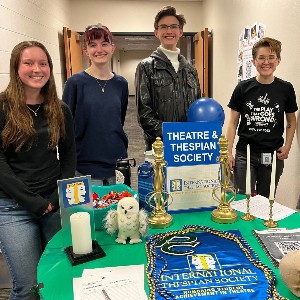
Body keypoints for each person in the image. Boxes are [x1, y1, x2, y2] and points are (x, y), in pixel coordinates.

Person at [0, 41, 76, 300]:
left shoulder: (59, 109)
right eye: (28, 63)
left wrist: (55, 200)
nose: (37, 69)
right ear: (16, 67)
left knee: (57, 277)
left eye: (42, 63)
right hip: (13, 208)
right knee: (29, 288)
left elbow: (68, 157)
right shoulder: (3, 108)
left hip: (52, 205)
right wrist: (33, 203)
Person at [227, 37, 298, 198]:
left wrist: (287, 146)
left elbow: (292, 121)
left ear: (278, 61)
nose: (266, 62)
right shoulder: (243, 88)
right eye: (261, 58)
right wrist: (228, 152)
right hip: (245, 154)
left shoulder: (286, 89)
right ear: (253, 61)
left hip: (273, 155)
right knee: (242, 199)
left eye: (271, 57)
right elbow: (232, 123)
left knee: (266, 200)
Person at [63, 24, 129, 186]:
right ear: (86, 51)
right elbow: (64, 127)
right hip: (85, 166)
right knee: (88, 212)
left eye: (104, 44)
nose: (99, 49)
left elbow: (118, 120)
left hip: (117, 163)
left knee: (120, 210)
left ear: (112, 48)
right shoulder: (75, 83)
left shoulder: (121, 84)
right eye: (93, 45)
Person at [135, 6, 201, 151]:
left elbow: (197, 108)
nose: (169, 31)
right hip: (159, 147)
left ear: (180, 32)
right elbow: (144, 114)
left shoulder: (190, 69)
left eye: (173, 27)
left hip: (188, 146)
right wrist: (173, 136)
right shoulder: (146, 67)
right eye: (163, 27)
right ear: (156, 32)